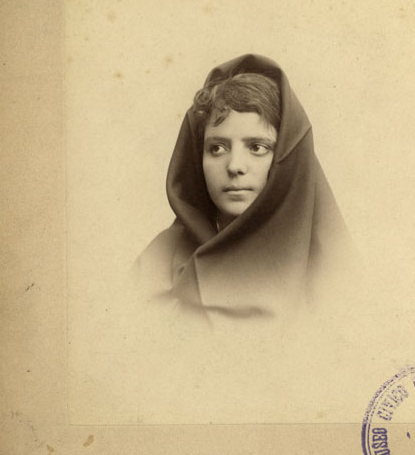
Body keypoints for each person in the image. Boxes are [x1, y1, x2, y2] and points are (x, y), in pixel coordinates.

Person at [133, 53, 355, 321]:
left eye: (257, 147)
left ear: (287, 158)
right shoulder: (159, 264)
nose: (235, 166)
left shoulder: (332, 270)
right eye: (217, 148)